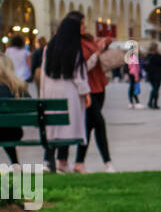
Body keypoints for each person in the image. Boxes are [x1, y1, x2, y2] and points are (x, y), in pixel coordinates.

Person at [40, 14, 90, 172]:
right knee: (66, 126)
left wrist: (42, 94)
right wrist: (86, 93)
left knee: (53, 126)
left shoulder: (49, 47)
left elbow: (43, 72)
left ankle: (48, 160)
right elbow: (78, 76)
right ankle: (63, 162)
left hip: (50, 89)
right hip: (68, 90)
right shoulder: (73, 47)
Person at [70, 14, 114, 173]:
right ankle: (108, 163)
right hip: (87, 89)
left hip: (98, 86)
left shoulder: (88, 40)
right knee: (99, 124)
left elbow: (97, 53)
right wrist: (97, 51)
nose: (85, 27)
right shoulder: (75, 45)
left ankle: (79, 163)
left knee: (89, 126)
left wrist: (104, 45)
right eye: (82, 25)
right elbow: (83, 67)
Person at [0, 52, 31, 164]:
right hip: (15, 132)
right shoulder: (19, 86)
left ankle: (15, 163)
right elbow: (31, 107)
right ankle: (15, 163)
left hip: (3, 131)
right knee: (6, 130)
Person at [143, 42, 161, 108]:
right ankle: (154, 104)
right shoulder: (158, 56)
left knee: (154, 89)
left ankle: (150, 102)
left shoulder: (148, 56)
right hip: (157, 74)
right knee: (156, 89)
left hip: (150, 75)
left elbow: (144, 65)